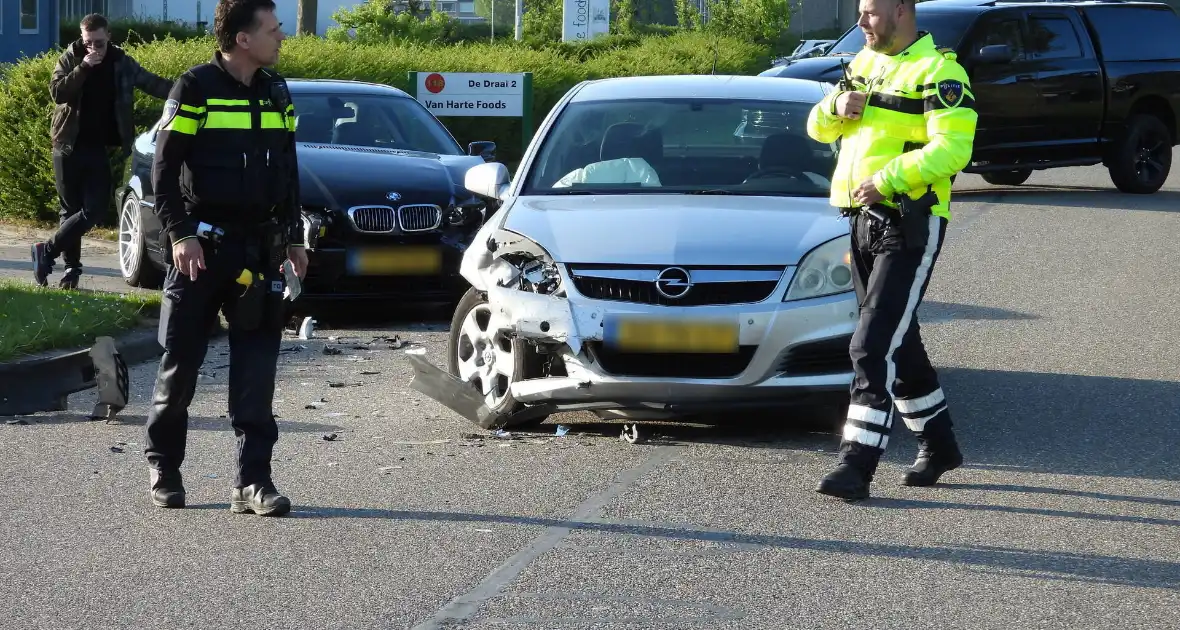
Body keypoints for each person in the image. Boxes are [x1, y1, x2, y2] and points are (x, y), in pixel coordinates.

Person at [805, 0, 977, 501]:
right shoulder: (862, 63)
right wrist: (834, 109)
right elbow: (816, 129)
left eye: (871, 14)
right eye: (860, 12)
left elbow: (953, 150)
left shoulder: (940, 72)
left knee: (871, 343)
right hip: (859, 221)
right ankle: (940, 446)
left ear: (903, 10)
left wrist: (888, 180)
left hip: (909, 223)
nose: (860, 23)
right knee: (900, 342)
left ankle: (857, 462)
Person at [143, 0, 307, 516]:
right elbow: (163, 173)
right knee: (180, 365)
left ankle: (252, 482)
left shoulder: (277, 92)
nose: (281, 38)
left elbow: (289, 167)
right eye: (273, 30)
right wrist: (179, 235)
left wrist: (295, 237)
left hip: (259, 251)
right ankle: (164, 467)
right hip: (201, 251)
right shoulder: (194, 88)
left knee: (256, 372)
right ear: (242, 39)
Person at [33, 13, 174, 289]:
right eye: (88, 43)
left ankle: (46, 251)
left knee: (95, 210)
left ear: (109, 36)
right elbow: (58, 93)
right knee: (70, 209)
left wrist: (186, 91)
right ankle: (71, 271)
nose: (93, 49)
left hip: (97, 147)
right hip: (67, 145)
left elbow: (153, 84)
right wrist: (83, 67)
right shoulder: (70, 58)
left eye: (98, 43)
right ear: (82, 38)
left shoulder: (121, 62)